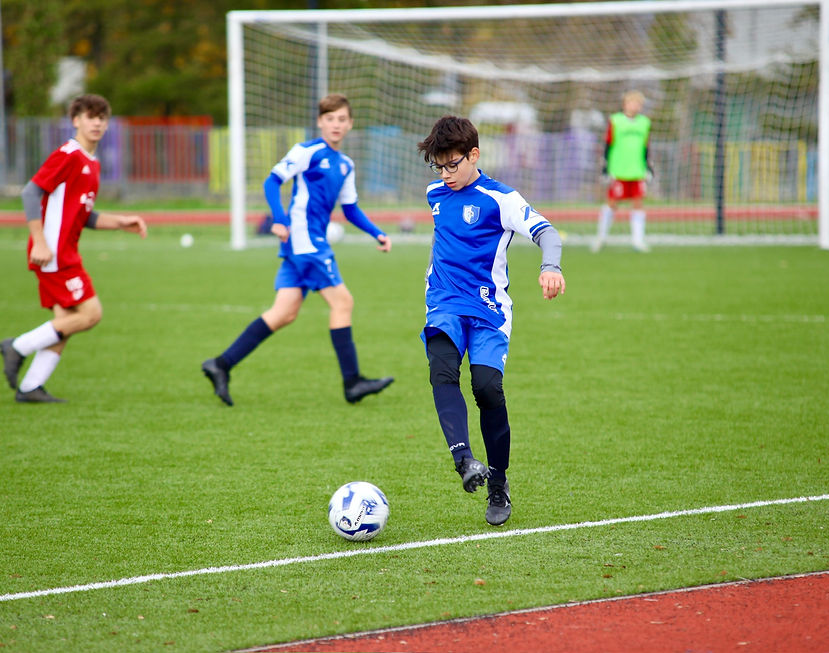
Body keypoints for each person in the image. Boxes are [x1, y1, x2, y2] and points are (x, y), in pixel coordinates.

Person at [417, 116, 566, 526]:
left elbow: (547, 232)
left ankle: (498, 484)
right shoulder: (434, 194)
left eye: (453, 165)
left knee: (486, 389)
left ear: (474, 154)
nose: (445, 174)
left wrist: (550, 266)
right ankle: (464, 460)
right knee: (442, 371)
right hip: (444, 304)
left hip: (488, 311)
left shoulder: (501, 198)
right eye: (439, 166)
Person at [201, 93, 393, 407]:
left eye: (341, 119)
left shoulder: (345, 164)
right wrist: (279, 220)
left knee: (284, 312)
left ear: (350, 124)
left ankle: (220, 364)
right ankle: (353, 382)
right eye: (330, 118)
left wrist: (377, 233)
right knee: (343, 301)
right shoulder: (308, 151)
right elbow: (271, 182)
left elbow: (351, 208)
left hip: (311, 241)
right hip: (304, 241)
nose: (336, 124)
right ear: (320, 121)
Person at [0, 94, 147, 403]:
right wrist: (39, 241)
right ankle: (17, 347)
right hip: (52, 253)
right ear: (75, 120)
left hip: (64, 252)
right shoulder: (68, 154)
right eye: (90, 116)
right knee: (91, 314)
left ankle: (30, 387)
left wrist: (121, 222)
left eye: (102, 118)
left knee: (64, 320)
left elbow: (83, 216)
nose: (96, 122)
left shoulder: (91, 163)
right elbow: (30, 192)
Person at [592, 90, 652, 253]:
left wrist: (648, 167)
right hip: (618, 170)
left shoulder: (644, 123)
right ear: (625, 104)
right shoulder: (616, 121)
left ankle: (638, 240)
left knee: (638, 203)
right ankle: (601, 238)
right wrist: (605, 167)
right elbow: (608, 144)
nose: (636, 106)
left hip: (637, 170)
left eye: (639, 104)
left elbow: (646, 147)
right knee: (612, 203)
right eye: (632, 103)